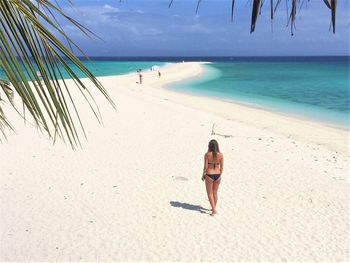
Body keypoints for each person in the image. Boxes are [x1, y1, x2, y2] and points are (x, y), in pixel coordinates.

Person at [203, 139, 224, 216]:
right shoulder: (221, 155)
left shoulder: (207, 154)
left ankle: (214, 210)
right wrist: (219, 174)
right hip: (218, 175)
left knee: (210, 193)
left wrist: (203, 175)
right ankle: (213, 207)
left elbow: (205, 167)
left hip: (209, 174)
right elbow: (222, 168)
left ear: (209, 146)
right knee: (215, 192)